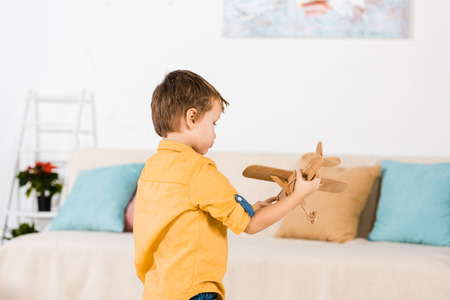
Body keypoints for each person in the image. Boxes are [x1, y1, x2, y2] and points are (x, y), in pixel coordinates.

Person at [134, 70, 321, 300]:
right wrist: (298, 196)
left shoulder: (151, 169)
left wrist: (252, 208)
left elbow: (188, 216)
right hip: (193, 292)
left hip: (156, 291)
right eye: (213, 123)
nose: (215, 134)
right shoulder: (198, 170)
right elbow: (251, 225)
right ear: (191, 118)